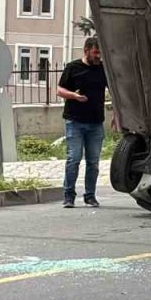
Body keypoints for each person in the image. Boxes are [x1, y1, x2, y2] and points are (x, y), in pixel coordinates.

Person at [57, 37, 109, 208]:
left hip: (96, 122)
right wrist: (74, 96)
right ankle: (69, 196)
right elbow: (59, 90)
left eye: (100, 53)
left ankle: (90, 195)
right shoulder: (73, 68)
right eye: (95, 52)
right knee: (74, 158)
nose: (98, 56)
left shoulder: (102, 69)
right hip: (75, 121)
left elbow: (113, 90)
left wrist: (117, 115)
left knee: (93, 161)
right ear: (86, 50)